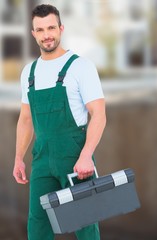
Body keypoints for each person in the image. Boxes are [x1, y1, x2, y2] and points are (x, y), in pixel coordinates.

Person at [13, 4, 106, 240]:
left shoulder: (80, 67)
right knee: (38, 223)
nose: (47, 35)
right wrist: (18, 158)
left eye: (51, 28)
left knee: (85, 223)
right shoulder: (29, 72)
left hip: (74, 156)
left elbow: (99, 114)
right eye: (40, 30)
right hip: (42, 158)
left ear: (61, 28)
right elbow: (25, 119)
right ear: (33, 33)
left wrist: (86, 155)